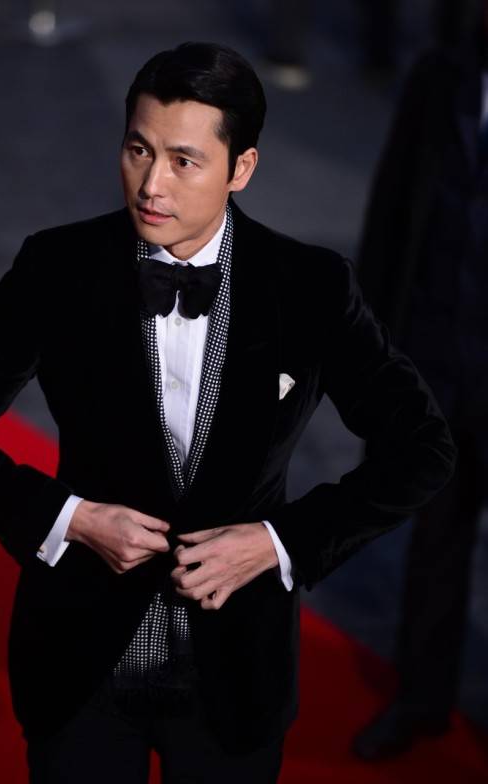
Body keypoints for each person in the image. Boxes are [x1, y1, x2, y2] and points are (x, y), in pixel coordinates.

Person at [0, 42, 457, 783]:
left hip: (235, 677)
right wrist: (69, 519)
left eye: (184, 161)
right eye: (138, 150)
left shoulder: (310, 287)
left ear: (241, 169)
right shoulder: (57, 268)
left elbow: (423, 448)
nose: (151, 185)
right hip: (81, 664)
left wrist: (279, 542)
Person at [352, 2, 488, 760]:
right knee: (434, 542)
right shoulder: (439, 79)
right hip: (438, 364)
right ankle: (421, 702)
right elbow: (392, 213)